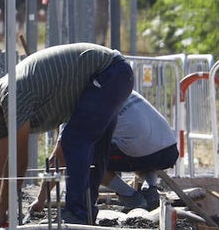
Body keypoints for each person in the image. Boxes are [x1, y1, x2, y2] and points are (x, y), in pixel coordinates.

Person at [0, 42, 134, 229]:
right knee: (91, 147)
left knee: (75, 141)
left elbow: (19, 163)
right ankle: (85, 213)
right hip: (112, 76)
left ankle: (77, 213)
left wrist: (4, 211)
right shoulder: (0, 115)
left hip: (109, 72)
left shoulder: (12, 97)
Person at [30, 91, 178, 215]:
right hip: (169, 150)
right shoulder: (114, 86)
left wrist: (41, 198)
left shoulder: (75, 106)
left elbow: (58, 159)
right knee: (131, 143)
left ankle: (131, 197)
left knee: (79, 156)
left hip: (140, 152)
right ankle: (150, 188)